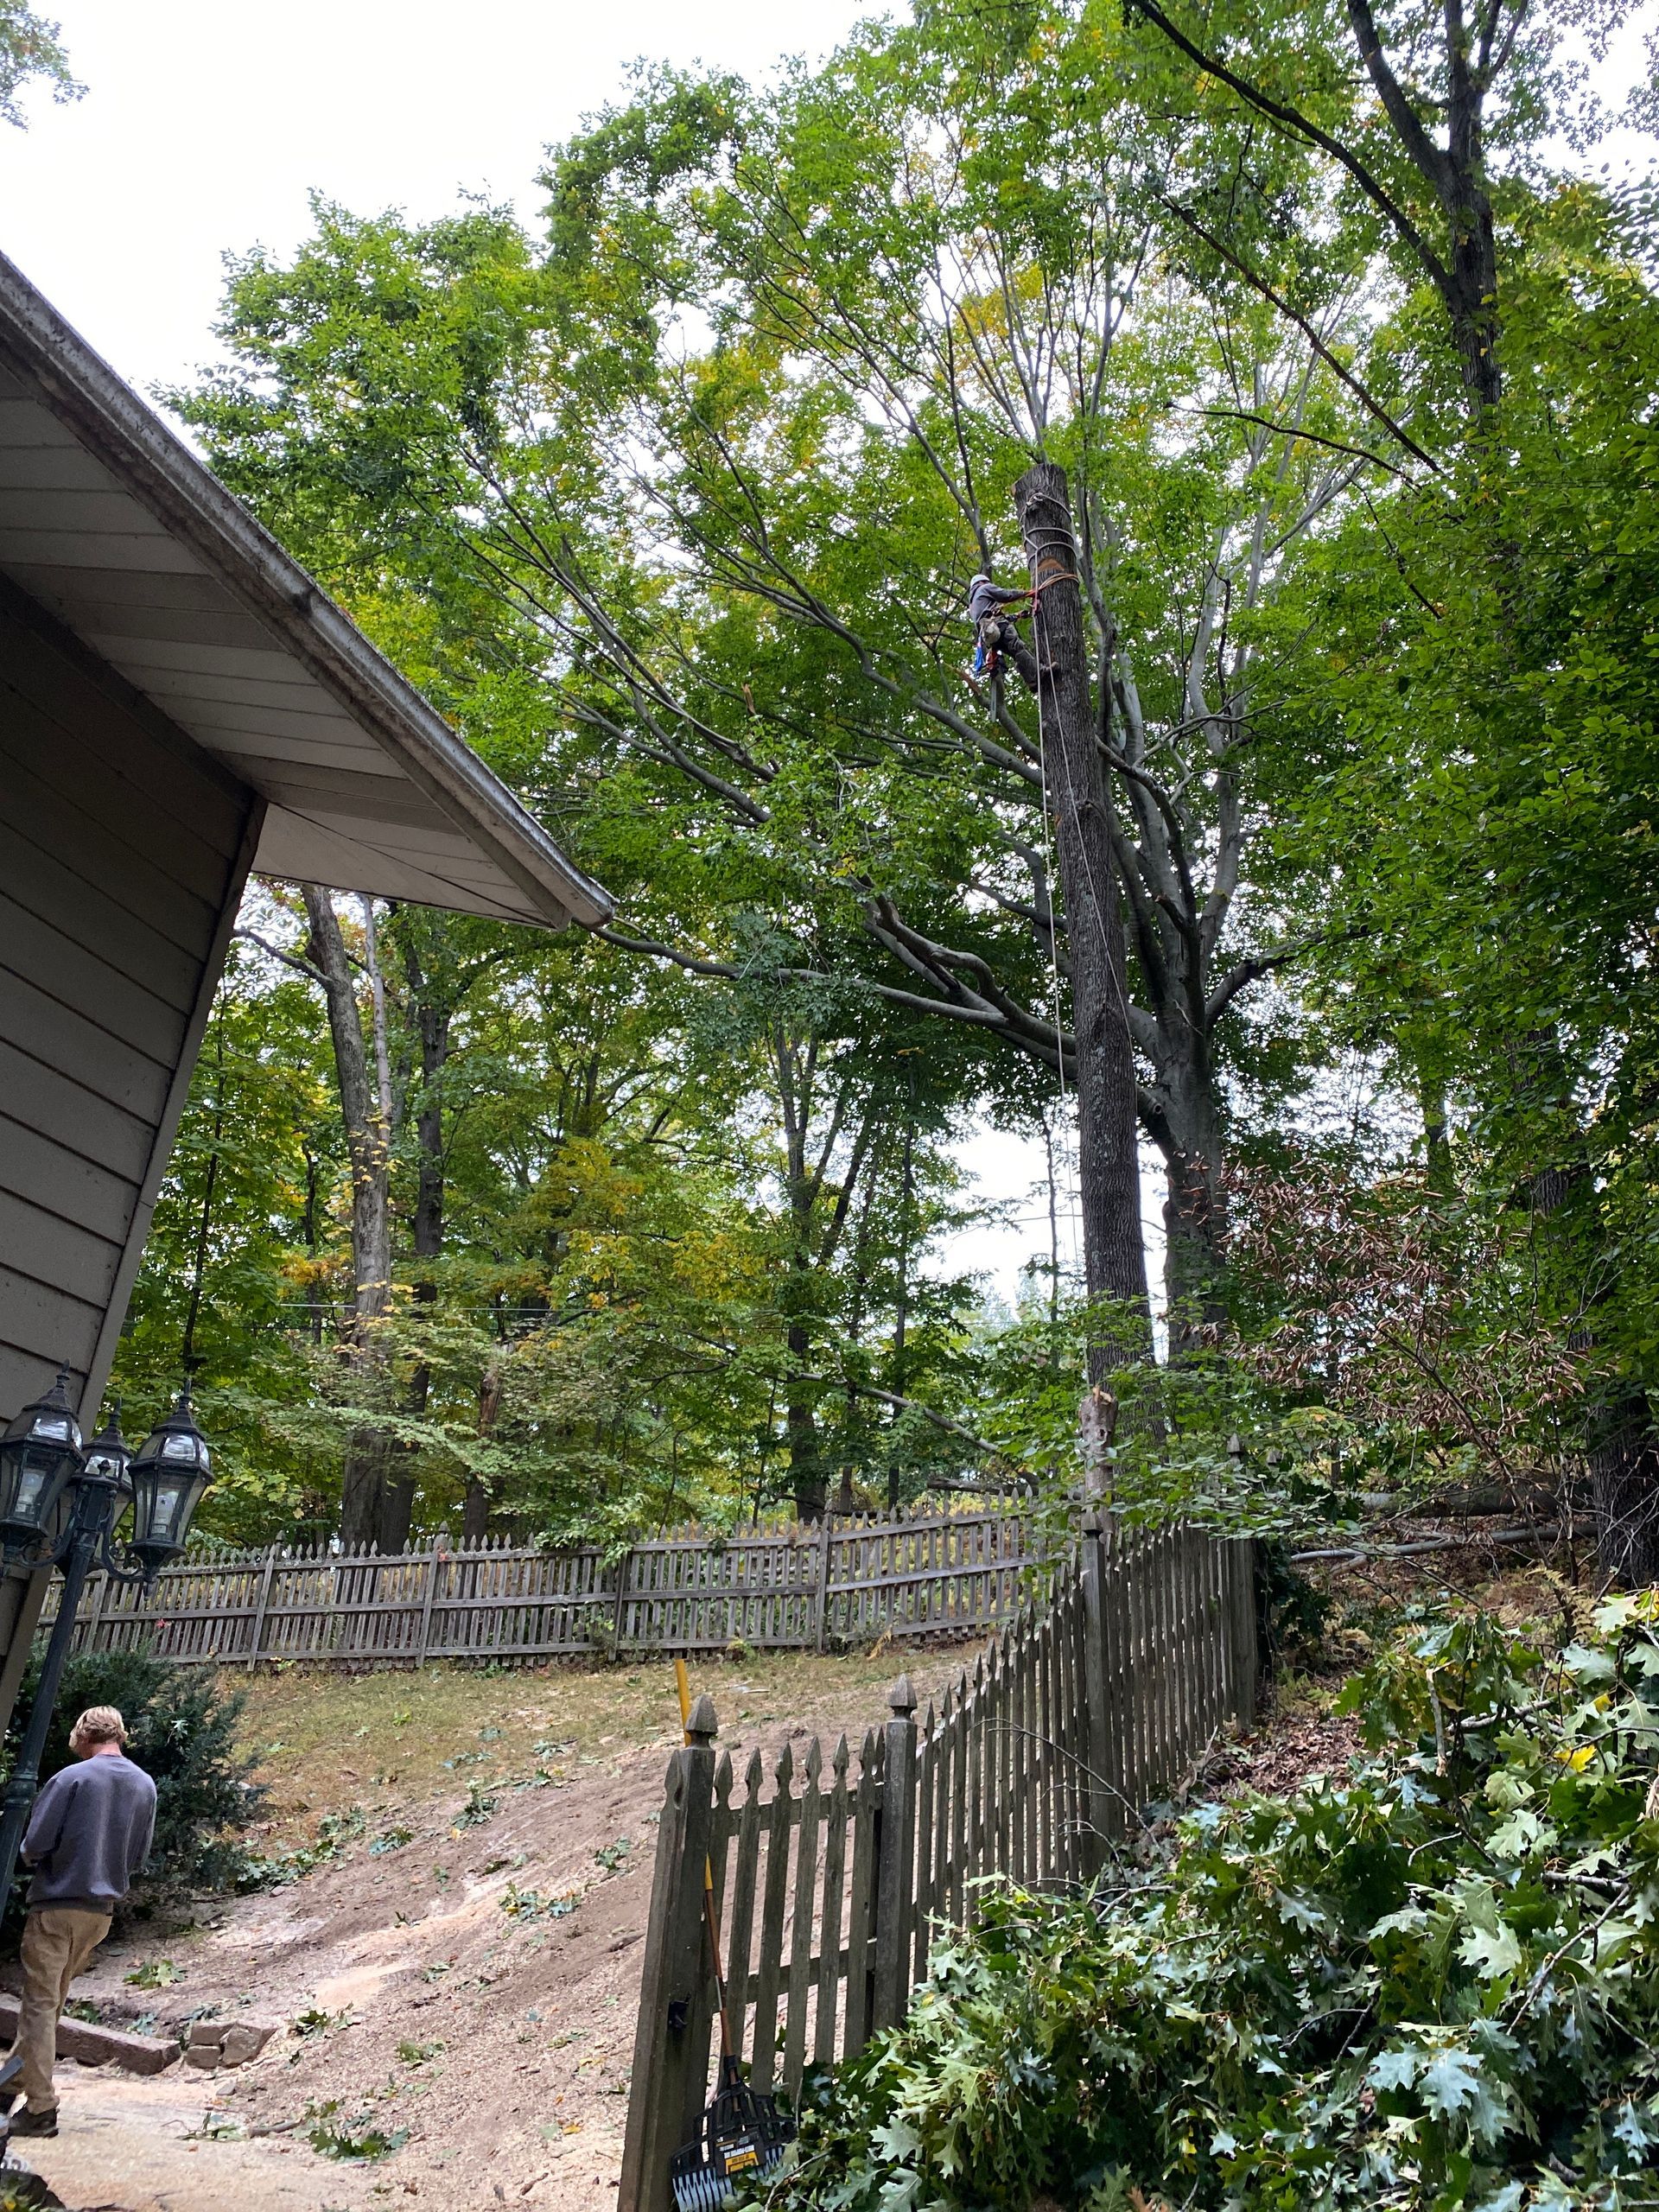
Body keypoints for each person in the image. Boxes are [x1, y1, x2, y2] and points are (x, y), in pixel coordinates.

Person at [6, 1706, 156, 2137]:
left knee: (38, 2003)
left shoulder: (72, 1778)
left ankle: (41, 2108)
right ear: (120, 1735)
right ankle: (13, 2081)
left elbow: (35, 1843)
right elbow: (139, 1855)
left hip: (57, 1905)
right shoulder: (144, 1784)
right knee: (51, 2002)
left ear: (81, 1735)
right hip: (100, 1913)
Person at [967, 571, 1039, 692]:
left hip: (990, 635)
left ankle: (1032, 681)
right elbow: (1006, 595)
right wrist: (1028, 593)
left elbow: (990, 615)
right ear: (982, 582)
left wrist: (1017, 616)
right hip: (997, 626)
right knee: (1018, 648)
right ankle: (1039, 673)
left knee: (1016, 654)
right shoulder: (984, 588)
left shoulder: (973, 604)